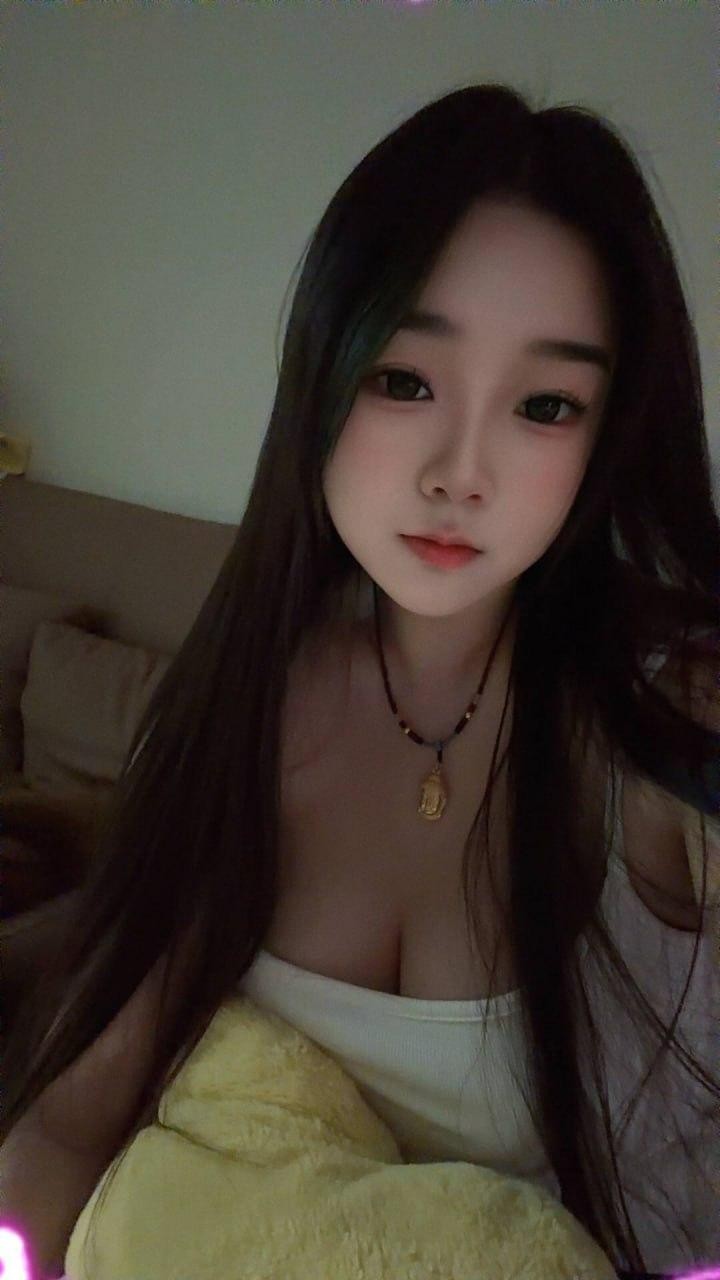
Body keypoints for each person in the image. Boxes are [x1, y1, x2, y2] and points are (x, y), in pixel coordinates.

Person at [1, 83, 718, 1280]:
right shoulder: (244, 700)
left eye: (545, 404)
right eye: (405, 379)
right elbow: (71, 1122)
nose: (459, 471)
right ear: (323, 369)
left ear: (608, 434)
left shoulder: (659, 729)